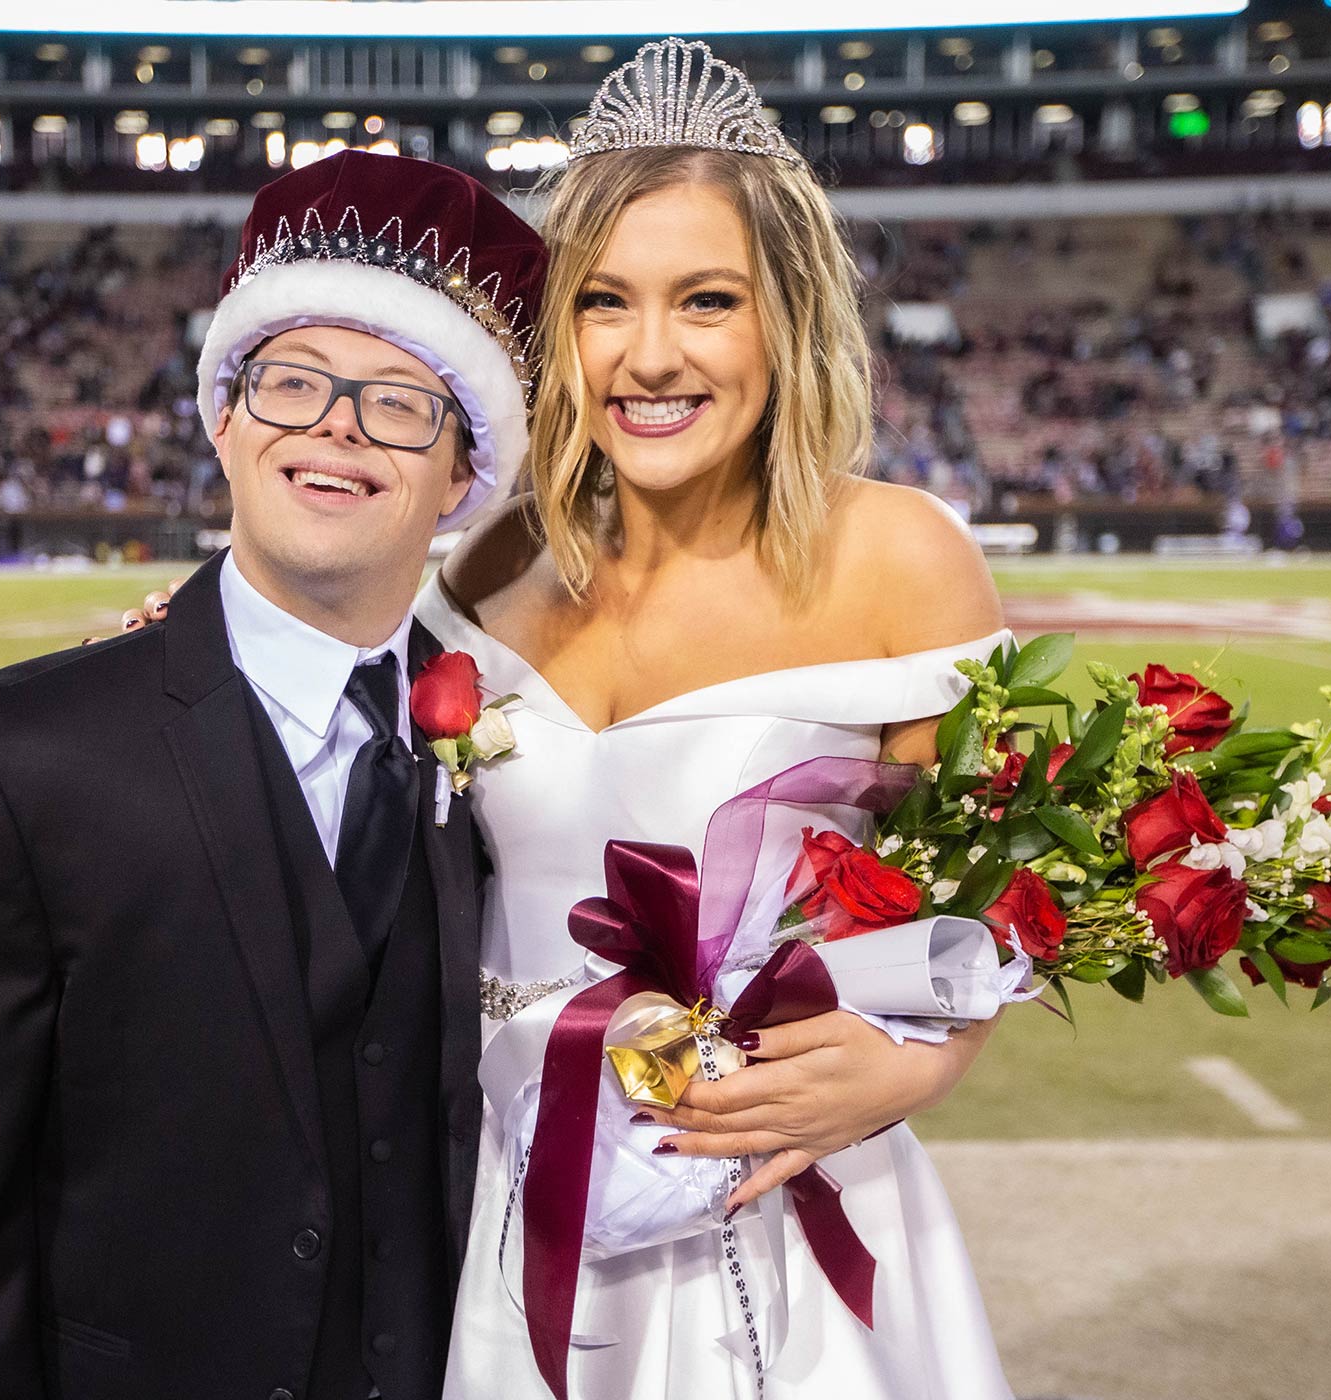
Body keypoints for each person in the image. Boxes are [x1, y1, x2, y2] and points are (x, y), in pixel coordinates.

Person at [0, 150, 545, 1400]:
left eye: (398, 402)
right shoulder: (2, 760)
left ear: (462, 476)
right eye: (293, 381)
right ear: (224, 416)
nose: (336, 423)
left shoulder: (516, 742)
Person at [419, 39, 1016, 1399]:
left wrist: (917, 1072)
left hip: (780, 1196)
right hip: (517, 1209)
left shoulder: (900, 557)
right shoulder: (489, 564)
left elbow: (1013, 882)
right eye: (604, 304)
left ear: (784, 319)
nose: (649, 356)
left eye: (706, 301)